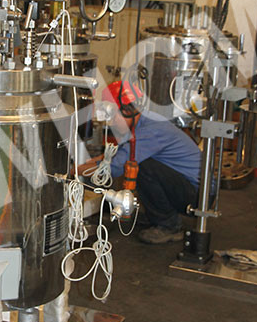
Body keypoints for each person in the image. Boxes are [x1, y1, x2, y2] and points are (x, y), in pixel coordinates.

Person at [79, 80, 203, 244]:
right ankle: (157, 215)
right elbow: (115, 155)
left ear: (127, 111)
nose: (111, 122)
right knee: (138, 162)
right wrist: (87, 163)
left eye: (113, 115)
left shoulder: (150, 130)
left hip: (198, 195)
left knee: (140, 166)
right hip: (185, 185)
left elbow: (114, 168)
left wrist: (73, 171)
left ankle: (169, 226)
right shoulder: (142, 122)